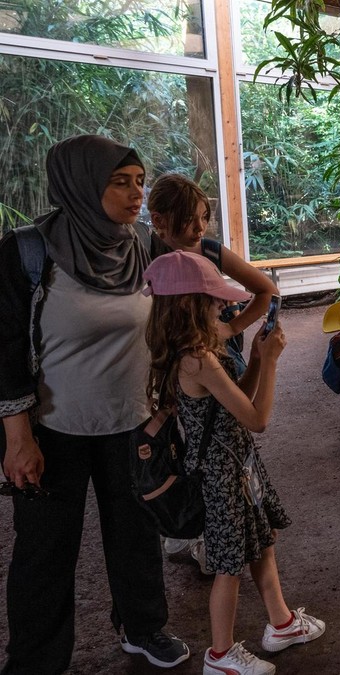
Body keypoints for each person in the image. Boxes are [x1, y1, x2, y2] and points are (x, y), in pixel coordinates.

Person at [0, 135, 190, 673]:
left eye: (138, 181)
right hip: (51, 430)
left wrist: (166, 400)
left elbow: (172, 324)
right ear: (81, 184)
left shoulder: (145, 246)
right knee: (44, 550)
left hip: (132, 422)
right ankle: (37, 660)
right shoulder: (27, 251)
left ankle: (143, 627)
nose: (136, 194)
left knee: (136, 533)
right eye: (119, 182)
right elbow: (6, 347)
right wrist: (18, 439)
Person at [144, 250, 325, 675]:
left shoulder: (196, 347)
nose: (225, 305)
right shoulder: (198, 358)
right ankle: (220, 656)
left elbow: (232, 401)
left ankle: (281, 622)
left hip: (236, 463)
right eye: (215, 299)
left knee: (261, 540)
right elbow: (257, 418)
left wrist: (259, 358)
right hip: (221, 473)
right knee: (228, 565)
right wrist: (274, 363)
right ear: (190, 304)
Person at [147, 173, 281, 566]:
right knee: (180, 440)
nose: (199, 228)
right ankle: (189, 520)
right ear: (159, 221)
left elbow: (266, 290)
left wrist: (229, 329)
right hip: (168, 361)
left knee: (219, 438)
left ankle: (217, 532)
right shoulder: (146, 256)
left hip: (208, 355)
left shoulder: (209, 250)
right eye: (190, 219)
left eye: (204, 217)